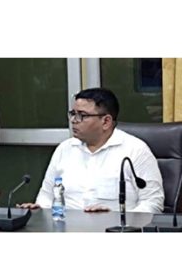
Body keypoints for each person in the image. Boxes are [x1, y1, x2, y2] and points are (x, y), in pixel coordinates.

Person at [18, 87, 164, 213]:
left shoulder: (135, 150)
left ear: (106, 121)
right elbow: (46, 197)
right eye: (73, 114)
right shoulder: (65, 149)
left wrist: (118, 220)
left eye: (82, 115)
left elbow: (153, 203)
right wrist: (38, 210)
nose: (74, 120)